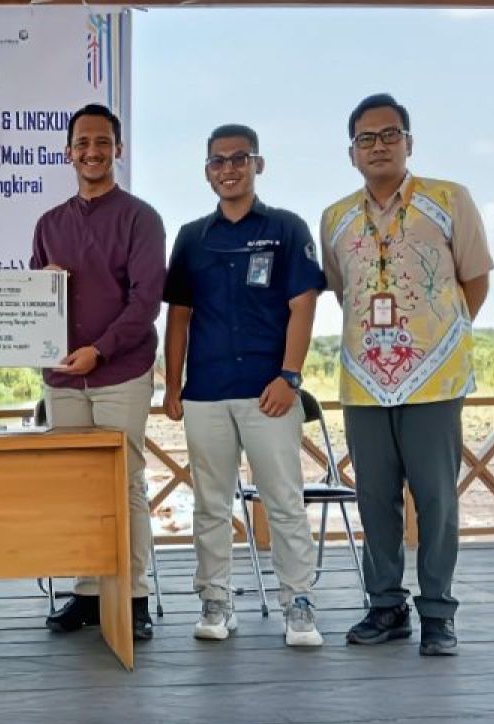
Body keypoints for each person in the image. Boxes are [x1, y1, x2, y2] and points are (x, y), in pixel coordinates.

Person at [320, 94, 494, 656]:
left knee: (437, 498)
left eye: (389, 135)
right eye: (366, 139)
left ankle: (439, 613)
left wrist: (435, 339)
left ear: (409, 142)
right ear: (351, 153)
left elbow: (474, 281)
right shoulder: (336, 217)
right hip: (365, 381)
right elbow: (343, 290)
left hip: (435, 379)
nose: (378, 146)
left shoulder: (448, 200)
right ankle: (386, 606)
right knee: (374, 497)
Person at [163, 125, 326, 647]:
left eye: (239, 159)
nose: (228, 169)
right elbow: (179, 319)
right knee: (211, 503)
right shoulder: (192, 236)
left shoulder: (285, 227)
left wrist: (290, 377)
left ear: (259, 164)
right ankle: (215, 600)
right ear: (207, 171)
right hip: (206, 390)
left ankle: (297, 603)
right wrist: (172, 386)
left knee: (283, 499)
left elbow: (303, 307)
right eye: (217, 161)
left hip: (268, 391)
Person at [31, 103, 166, 641]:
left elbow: (146, 302)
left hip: (121, 372)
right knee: (80, 487)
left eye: (102, 142)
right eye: (82, 143)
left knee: (124, 483)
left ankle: (132, 598)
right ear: (68, 152)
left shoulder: (140, 218)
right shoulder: (48, 224)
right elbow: (34, 302)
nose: (92, 151)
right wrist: (45, 285)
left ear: (118, 149)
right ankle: (88, 594)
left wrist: (100, 351)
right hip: (63, 376)